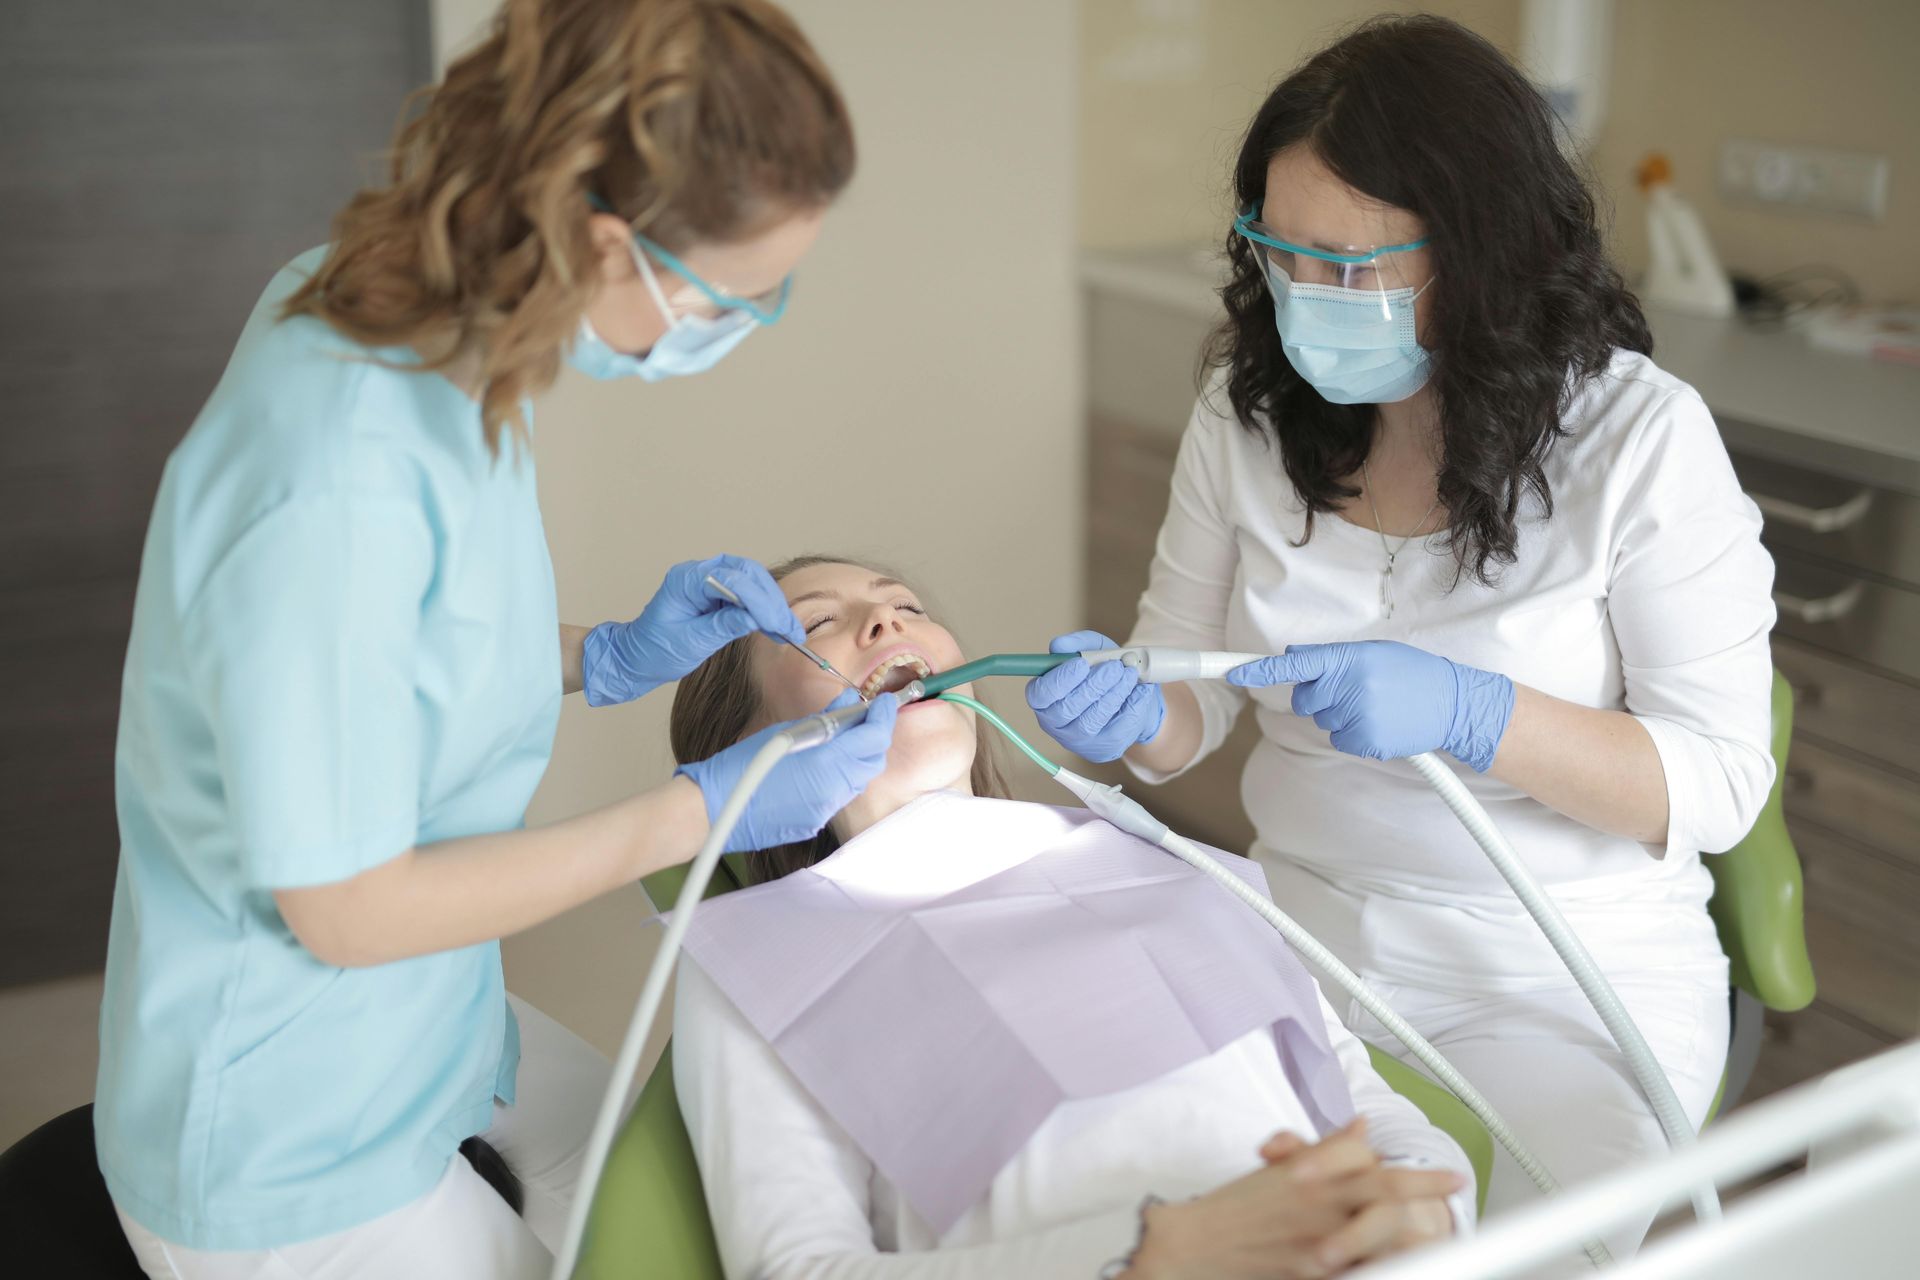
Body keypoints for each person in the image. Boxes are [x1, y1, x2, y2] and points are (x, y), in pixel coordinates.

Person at [94, 3, 896, 1277]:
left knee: (678, 1185)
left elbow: (393, 654)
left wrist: (597, 653)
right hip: (291, 1124)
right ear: (601, 242)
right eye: (731, 297)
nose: (742, 324)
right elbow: (345, 907)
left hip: (429, 1019)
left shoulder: (448, 335)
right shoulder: (332, 471)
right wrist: (697, 809)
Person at [1026, 15, 1773, 1258]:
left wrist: (1478, 714)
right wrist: (1130, 710)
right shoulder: (1248, 412)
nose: (1309, 300)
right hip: (1303, 949)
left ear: (1482, 252)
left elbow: (1723, 781)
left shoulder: (1638, 439)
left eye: (1352, 267)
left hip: (1564, 980)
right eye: (1281, 254)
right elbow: (1184, 699)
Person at [667, 557, 1475, 1280]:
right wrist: (1147, 1256)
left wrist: (1430, 1210)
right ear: (744, 744)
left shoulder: (1158, 858)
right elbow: (794, 1267)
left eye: (906, 605)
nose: (886, 623)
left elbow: (1364, 1099)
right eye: (816, 622)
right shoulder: (757, 961)